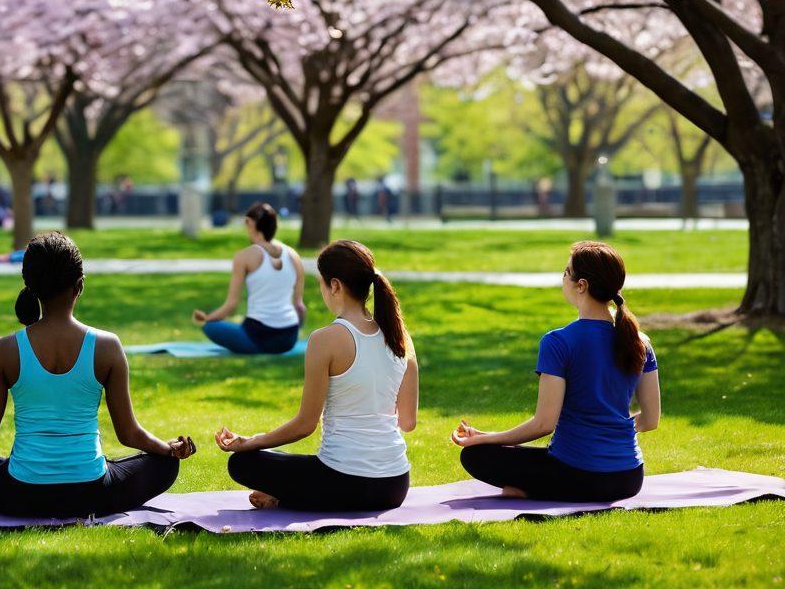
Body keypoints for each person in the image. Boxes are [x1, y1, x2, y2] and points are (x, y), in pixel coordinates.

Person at [0, 232, 196, 518]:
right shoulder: (107, 346)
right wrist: (167, 449)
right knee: (165, 465)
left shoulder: (4, 349)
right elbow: (129, 434)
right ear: (79, 286)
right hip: (92, 494)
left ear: (30, 287)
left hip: (21, 495)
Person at [451, 241, 660, 503]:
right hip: (629, 478)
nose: (562, 279)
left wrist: (487, 441)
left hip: (578, 476)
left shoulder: (558, 342)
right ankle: (528, 488)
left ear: (581, 285)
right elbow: (651, 420)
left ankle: (526, 490)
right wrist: (612, 431)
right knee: (510, 453)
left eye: (565, 272)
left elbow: (544, 424)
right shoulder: (641, 341)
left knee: (475, 456)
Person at [216, 240, 418, 511]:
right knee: (284, 463)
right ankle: (286, 497)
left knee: (243, 462)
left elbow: (305, 425)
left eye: (321, 284)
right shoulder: (401, 337)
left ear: (334, 285)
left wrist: (251, 441)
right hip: (394, 486)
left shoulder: (325, 339)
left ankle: (284, 497)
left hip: (342, 483)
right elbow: (407, 422)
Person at [192, 202, 305, 354]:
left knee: (210, 327)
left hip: (258, 337)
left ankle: (251, 343)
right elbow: (299, 307)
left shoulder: (244, 256)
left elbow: (231, 305)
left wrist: (207, 318)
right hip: (288, 338)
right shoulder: (293, 255)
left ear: (251, 224)